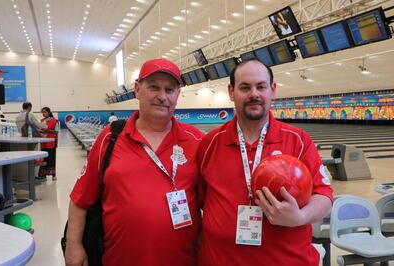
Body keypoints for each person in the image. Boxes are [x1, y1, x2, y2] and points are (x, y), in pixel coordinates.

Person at [65, 58, 203, 266]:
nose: (162, 96)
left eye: (170, 89)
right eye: (154, 87)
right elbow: (80, 198)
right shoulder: (110, 138)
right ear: (137, 89)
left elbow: (216, 201)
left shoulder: (197, 141)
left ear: (177, 95)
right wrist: (73, 244)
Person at [197, 59, 333, 266]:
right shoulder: (209, 143)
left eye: (261, 86)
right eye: (245, 87)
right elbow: (199, 199)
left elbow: (324, 195)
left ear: (273, 90)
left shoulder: (298, 140)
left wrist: (300, 216)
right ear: (231, 92)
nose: (254, 94)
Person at [37, 107, 59, 181]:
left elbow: (56, 131)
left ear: (49, 112)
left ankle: (53, 174)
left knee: (51, 158)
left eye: (45, 112)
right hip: (43, 142)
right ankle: (43, 174)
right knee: (44, 158)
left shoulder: (55, 121)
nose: (43, 113)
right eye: (42, 112)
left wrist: (47, 130)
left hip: (51, 142)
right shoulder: (42, 121)